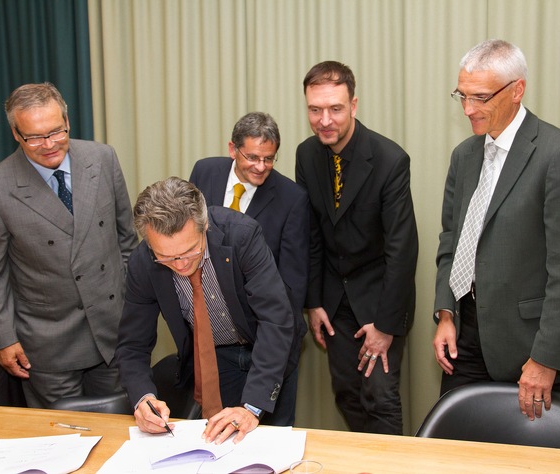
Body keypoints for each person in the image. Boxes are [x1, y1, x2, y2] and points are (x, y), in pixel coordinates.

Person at [432, 39, 560, 421]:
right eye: (462, 95)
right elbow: (451, 240)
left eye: (480, 97)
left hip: (526, 347)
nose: (468, 109)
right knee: (456, 442)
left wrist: (546, 359)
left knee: (519, 450)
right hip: (464, 335)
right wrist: (446, 313)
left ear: (517, 90)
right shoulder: (464, 156)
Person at [0, 82, 138, 408]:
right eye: (34, 137)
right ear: (16, 134)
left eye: (56, 132)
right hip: (48, 346)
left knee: (120, 427)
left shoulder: (102, 158)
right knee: (62, 432)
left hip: (113, 332)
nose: (48, 145)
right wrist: (3, 339)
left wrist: (132, 310)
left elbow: (126, 240)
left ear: (67, 121)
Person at [115, 177, 299, 444]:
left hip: (270, 347)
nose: (180, 265)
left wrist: (251, 408)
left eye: (190, 251)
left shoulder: (242, 236)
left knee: (273, 441)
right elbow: (133, 344)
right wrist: (143, 398)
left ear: (205, 226)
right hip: (218, 356)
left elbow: (275, 320)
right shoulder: (143, 262)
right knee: (223, 441)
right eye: (166, 257)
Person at [295, 61, 418, 435]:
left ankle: (390, 462)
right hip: (334, 302)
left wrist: (385, 325)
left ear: (353, 105)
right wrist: (314, 302)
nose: (324, 120)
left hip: (379, 300)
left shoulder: (389, 159)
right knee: (347, 394)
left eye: (335, 108)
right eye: (315, 110)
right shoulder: (306, 155)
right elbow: (311, 233)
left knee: (380, 398)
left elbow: (402, 249)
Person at [189, 111, 309, 364]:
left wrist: (275, 338)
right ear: (233, 149)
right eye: (252, 157)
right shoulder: (204, 171)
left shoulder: (292, 198)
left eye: (269, 159)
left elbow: (292, 281)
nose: (261, 167)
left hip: (261, 334)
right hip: (209, 332)